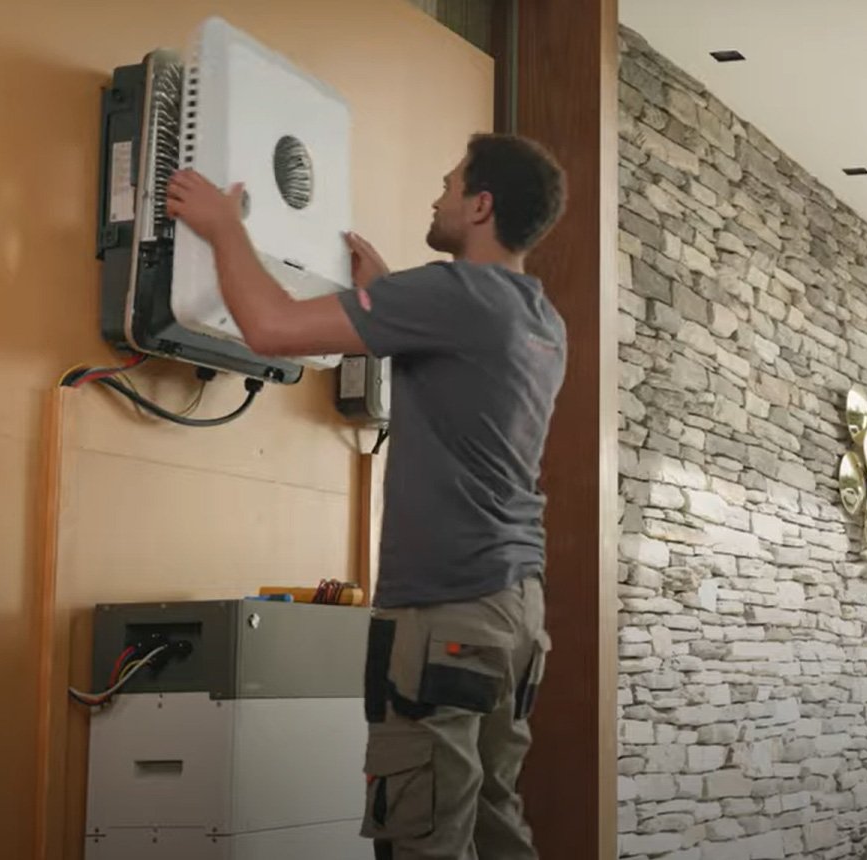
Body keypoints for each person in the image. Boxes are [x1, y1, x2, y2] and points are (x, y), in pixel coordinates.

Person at [167, 132, 568, 860]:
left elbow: (271, 327)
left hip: (444, 604)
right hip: (514, 611)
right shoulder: (537, 317)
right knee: (490, 815)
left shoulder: (455, 296)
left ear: (480, 206)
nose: (436, 197)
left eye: (449, 185)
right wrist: (382, 291)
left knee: (420, 832)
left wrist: (224, 229)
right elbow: (454, 370)